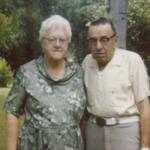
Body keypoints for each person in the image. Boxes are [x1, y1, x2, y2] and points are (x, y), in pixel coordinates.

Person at [4, 15, 86, 150]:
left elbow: (85, 118)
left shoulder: (79, 73)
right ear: (42, 42)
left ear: (68, 43)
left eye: (62, 40)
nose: (57, 44)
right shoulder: (27, 72)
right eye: (52, 39)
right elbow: (12, 112)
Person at [82, 17, 150, 150]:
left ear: (115, 40)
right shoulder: (86, 62)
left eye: (104, 39)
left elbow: (144, 107)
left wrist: (145, 146)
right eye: (93, 40)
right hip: (94, 132)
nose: (98, 46)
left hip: (126, 132)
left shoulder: (132, 60)